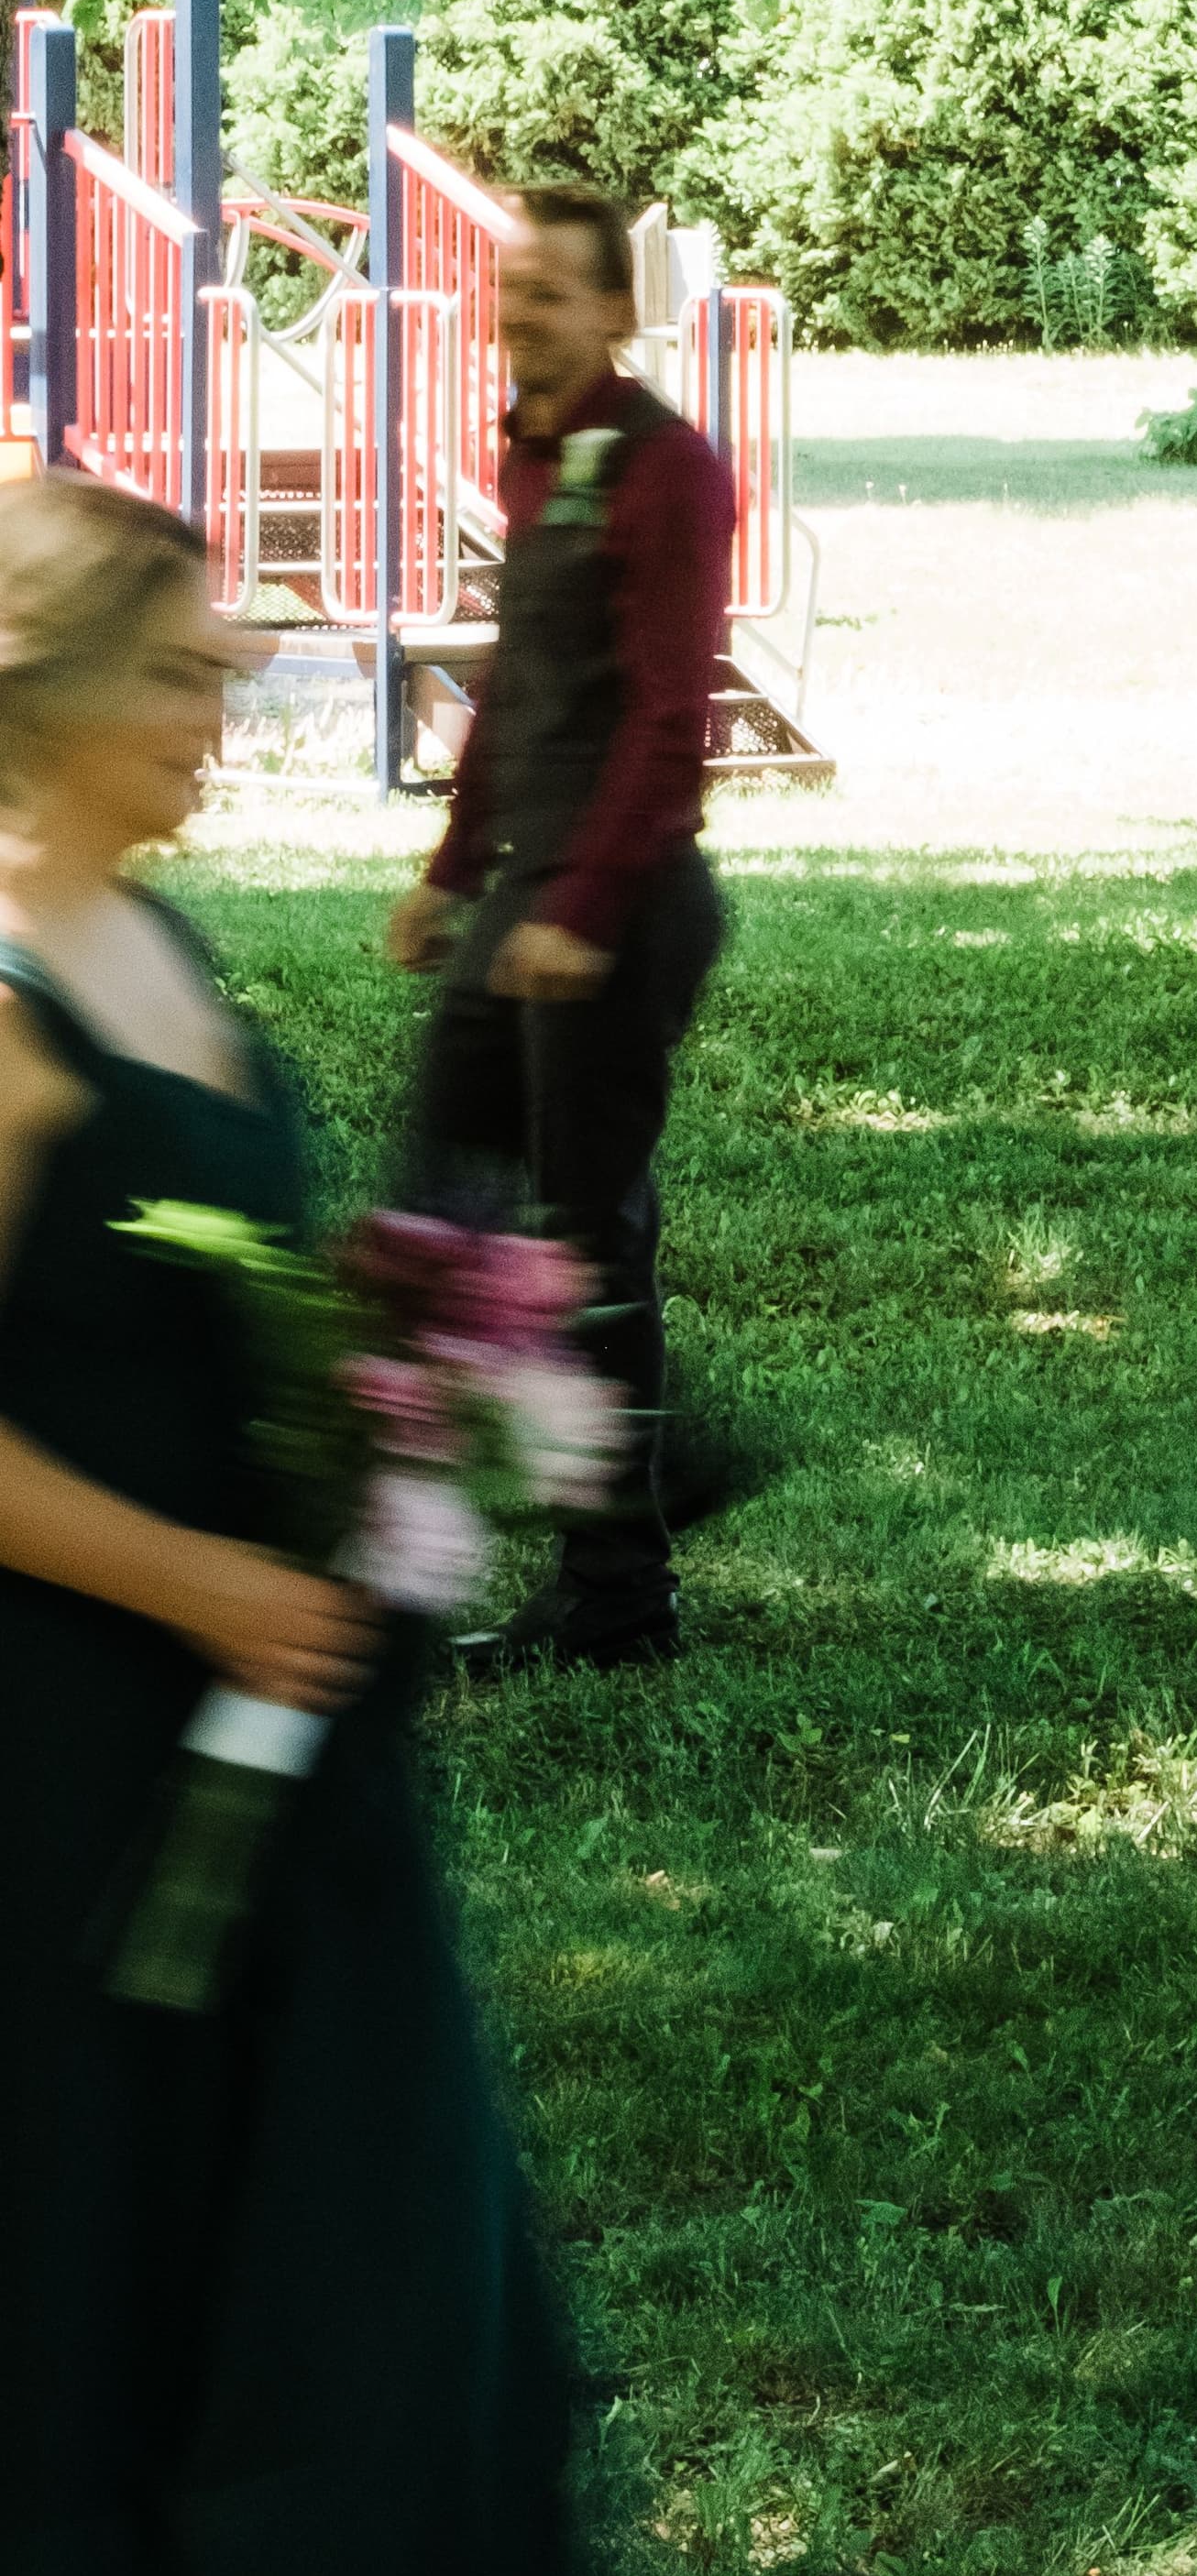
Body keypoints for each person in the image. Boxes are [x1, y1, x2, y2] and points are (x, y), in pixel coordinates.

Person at [0, 478, 676, 2576]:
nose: (231, 706)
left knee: (380, 2199)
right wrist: (196, 1576)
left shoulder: (147, 935)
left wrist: (407, 1371)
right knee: (146, 2232)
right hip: (82, 1724)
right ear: (51, 699)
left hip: (277, 1700)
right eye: (183, 673)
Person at [387, 188, 735, 1679]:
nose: (519, 311)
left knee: (583, 1254)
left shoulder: (668, 472)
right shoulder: (534, 458)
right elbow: (521, 687)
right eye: (508, 287)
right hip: (526, 897)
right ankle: (622, 1476)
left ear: (614, 315)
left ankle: (617, 1599)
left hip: (621, 906)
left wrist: (579, 919)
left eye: (552, 293)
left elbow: (669, 723)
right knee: (433, 1219)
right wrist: (455, 872)